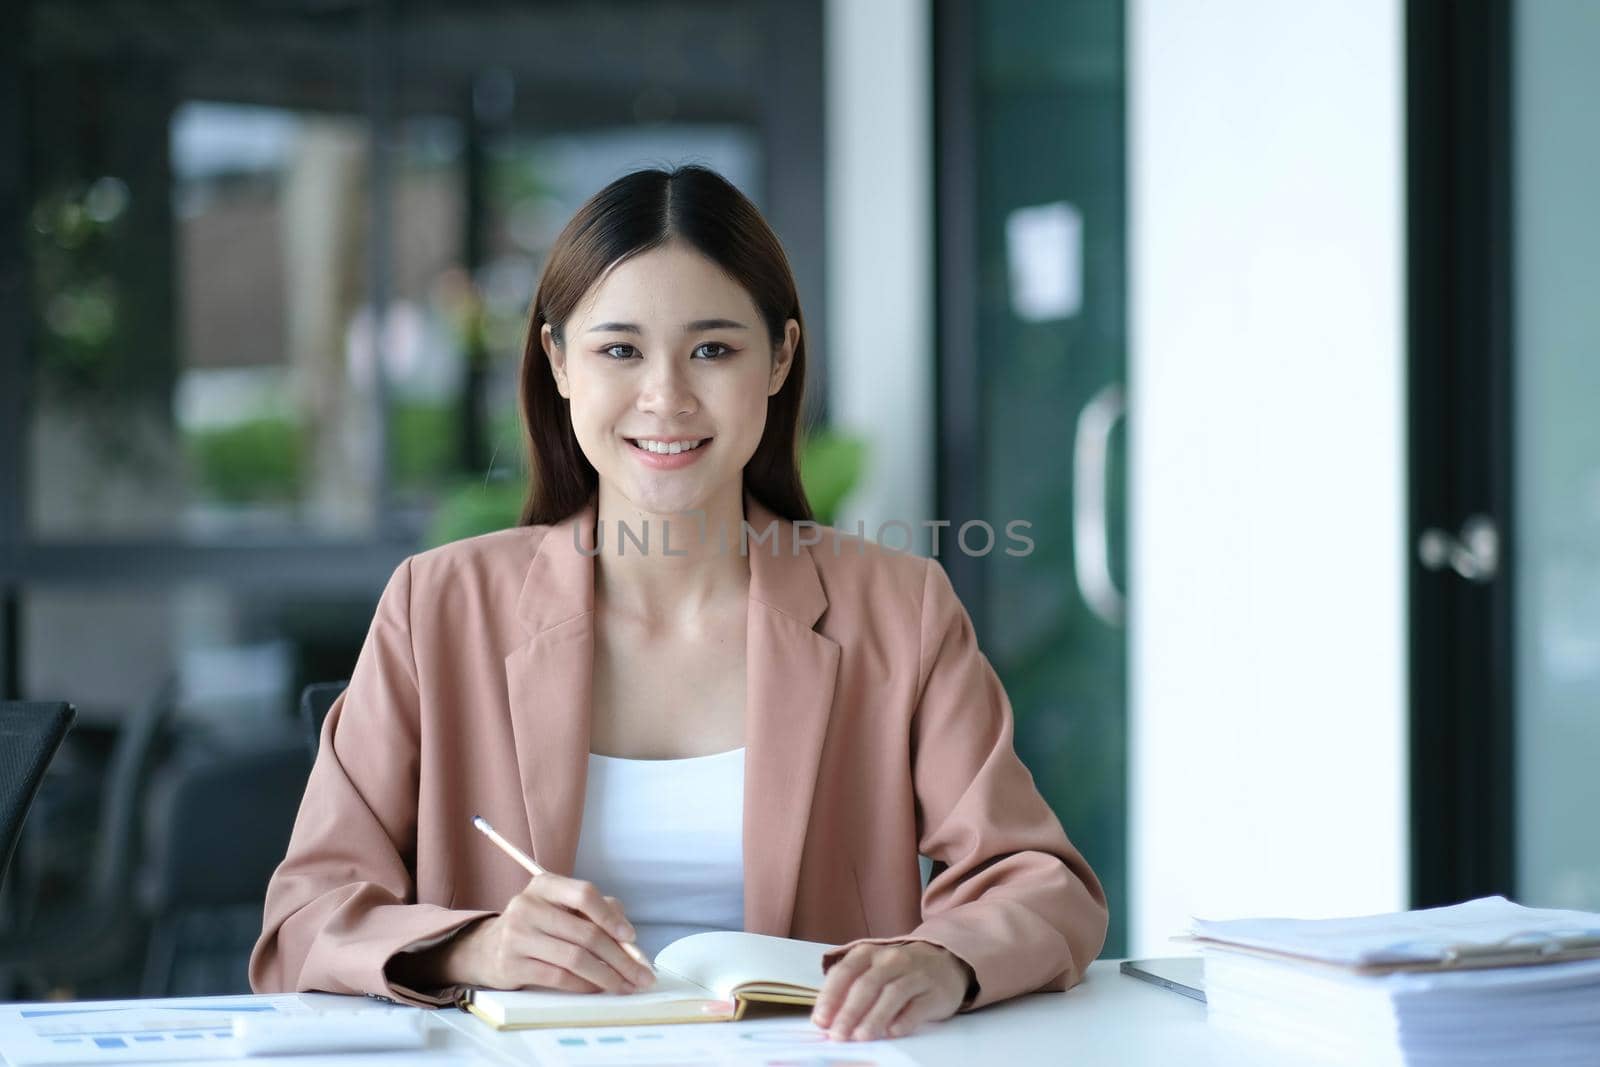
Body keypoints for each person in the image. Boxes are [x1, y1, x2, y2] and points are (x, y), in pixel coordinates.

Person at [249, 164, 1108, 1042]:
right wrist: (475, 947)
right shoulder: (438, 607)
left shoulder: (898, 608)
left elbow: (1042, 882)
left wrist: (946, 960)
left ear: (779, 359)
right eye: (619, 349)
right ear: (558, 362)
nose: (666, 396)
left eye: (713, 349)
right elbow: (304, 919)